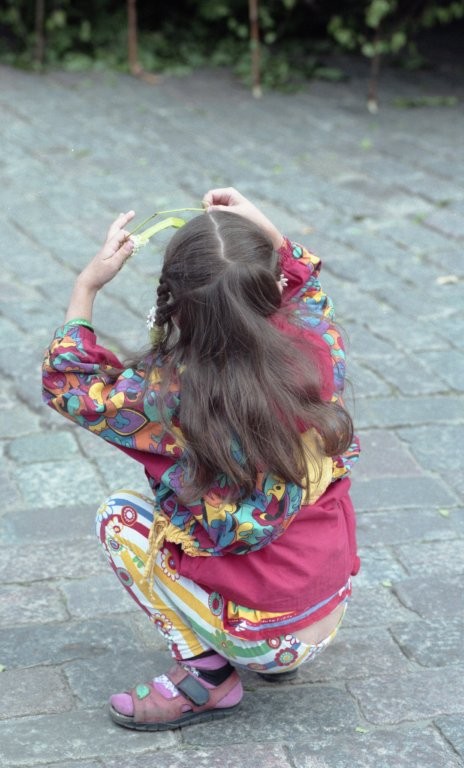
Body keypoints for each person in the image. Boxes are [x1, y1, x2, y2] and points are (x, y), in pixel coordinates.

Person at [42, 187, 360, 731]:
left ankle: (207, 677)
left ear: (176, 304)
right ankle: (270, 641)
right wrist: (267, 230)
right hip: (329, 607)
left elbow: (69, 384)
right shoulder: (317, 343)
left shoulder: (168, 394)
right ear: (270, 285)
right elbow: (306, 284)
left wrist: (86, 286)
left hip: (266, 637)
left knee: (118, 517)